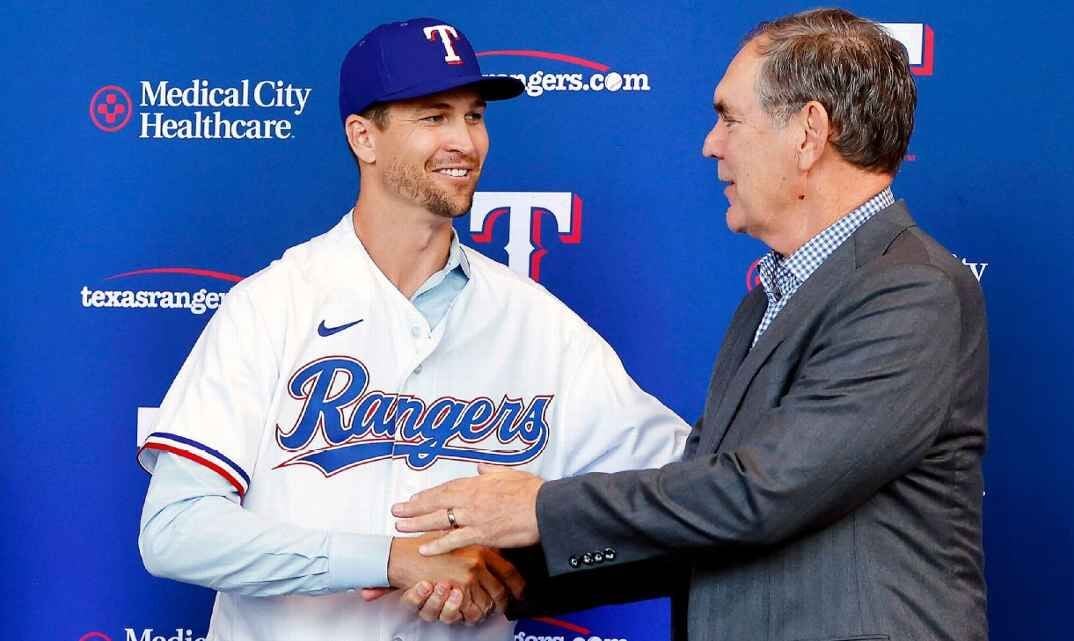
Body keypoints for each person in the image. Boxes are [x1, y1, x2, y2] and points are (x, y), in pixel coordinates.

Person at [392, 9, 989, 641]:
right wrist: (508, 577)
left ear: (809, 133)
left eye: (730, 117)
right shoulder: (769, 299)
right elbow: (701, 522)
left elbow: (764, 495)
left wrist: (538, 508)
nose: (712, 143)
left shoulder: (908, 290)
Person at [136, 17, 688, 641]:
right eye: (434, 117)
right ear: (363, 138)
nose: (465, 142)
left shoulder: (541, 325)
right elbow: (176, 530)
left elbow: (682, 496)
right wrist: (388, 561)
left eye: (474, 116)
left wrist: (519, 563)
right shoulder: (271, 306)